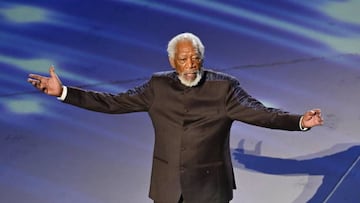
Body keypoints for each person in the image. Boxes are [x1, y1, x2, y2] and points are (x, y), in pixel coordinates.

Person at [28, 32, 323, 203]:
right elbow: (113, 103)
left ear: (202, 58)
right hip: (167, 187)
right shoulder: (157, 86)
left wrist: (299, 121)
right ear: (172, 61)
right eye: (183, 59)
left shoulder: (224, 88)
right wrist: (64, 92)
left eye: (195, 58)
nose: (190, 64)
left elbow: (261, 113)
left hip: (209, 190)